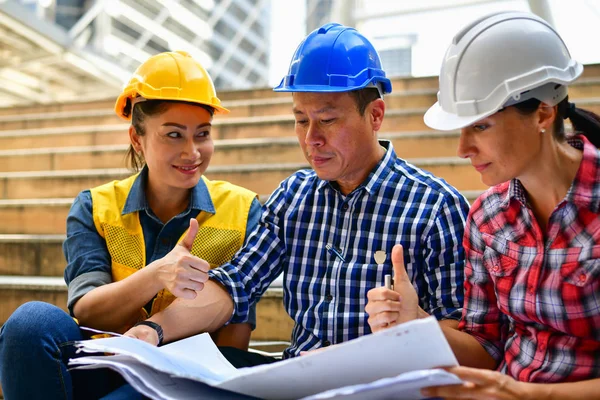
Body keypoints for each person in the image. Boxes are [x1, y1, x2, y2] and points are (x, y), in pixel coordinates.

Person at [118, 22, 469, 370]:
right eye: (301, 120)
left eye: (328, 120)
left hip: (384, 384)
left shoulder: (435, 207)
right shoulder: (295, 196)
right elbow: (236, 284)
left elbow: (468, 336)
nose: (311, 139)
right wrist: (154, 330)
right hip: (299, 377)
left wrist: (415, 322)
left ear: (375, 115)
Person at [0, 50, 262, 399]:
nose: (192, 152)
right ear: (137, 138)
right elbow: (87, 308)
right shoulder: (95, 206)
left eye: (202, 134)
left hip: (190, 376)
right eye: (173, 134)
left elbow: (235, 339)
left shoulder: (244, 210)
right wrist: (156, 274)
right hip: (105, 361)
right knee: (29, 324)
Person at [365, 11, 600, 399]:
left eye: (480, 126)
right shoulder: (488, 218)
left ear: (542, 112)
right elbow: (486, 351)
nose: (462, 150)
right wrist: (417, 322)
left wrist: (527, 394)